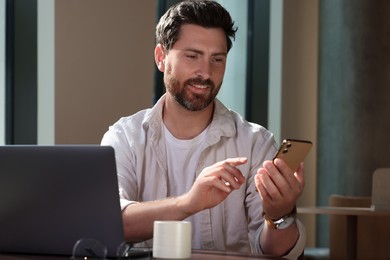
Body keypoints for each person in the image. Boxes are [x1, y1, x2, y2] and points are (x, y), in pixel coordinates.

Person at [101, 0, 305, 259]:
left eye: (217, 59)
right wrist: (189, 203)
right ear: (161, 58)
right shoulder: (124, 138)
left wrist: (280, 216)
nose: (206, 72)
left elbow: (275, 251)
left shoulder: (256, 143)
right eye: (192, 56)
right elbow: (112, 223)